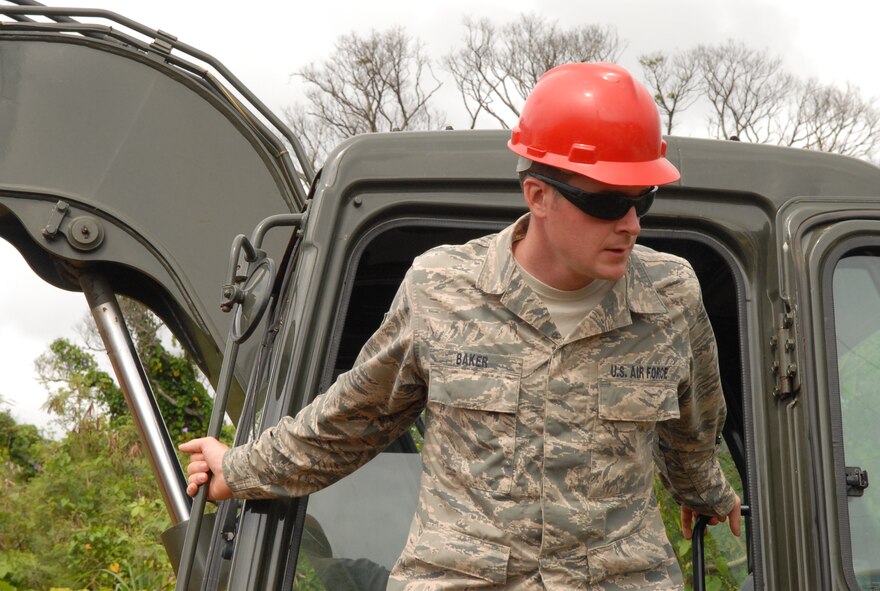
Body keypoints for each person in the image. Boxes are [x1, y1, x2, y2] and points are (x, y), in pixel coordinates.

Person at [181, 62, 741, 590]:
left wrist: (709, 494)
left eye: (642, 198)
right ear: (538, 194)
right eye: (607, 203)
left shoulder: (670, 295)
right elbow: (357, 416)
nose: (630, 223)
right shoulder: (442, 289)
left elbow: (694, 432)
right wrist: (243, 468)